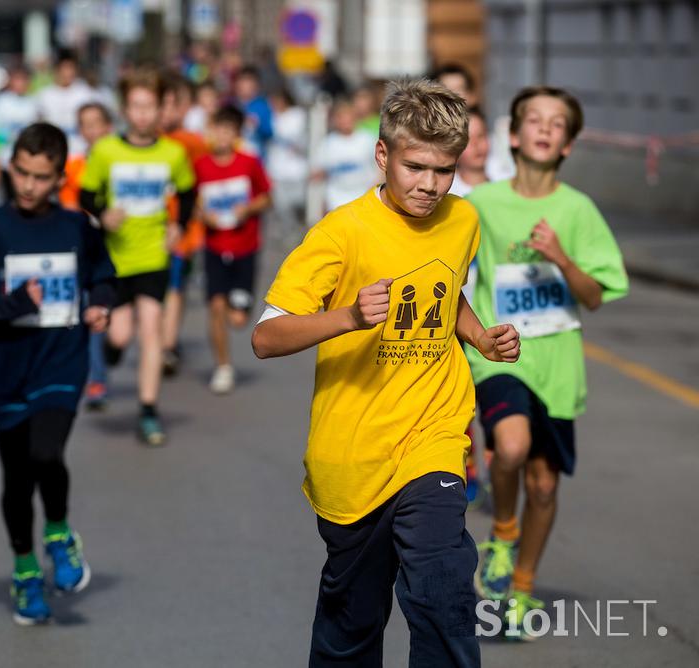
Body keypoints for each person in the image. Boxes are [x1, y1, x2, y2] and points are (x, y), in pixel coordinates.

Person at [252, 79, 522, 667]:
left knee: (445, 588)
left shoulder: (463, 220)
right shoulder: (340, 231)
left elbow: (445, 290)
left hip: (433, 436)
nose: (429, 185)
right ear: (383, 155)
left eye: (444, 170)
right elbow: (266, 338)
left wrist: (480, 336)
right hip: (353, 454)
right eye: (416, 166)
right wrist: (347, 316)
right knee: (353, 623)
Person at [469, 86, 628, 638]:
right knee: (510, 447)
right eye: (532, 119)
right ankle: (503, 536)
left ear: (568, 143)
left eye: (556, 123)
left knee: (544, 485)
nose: (543, 128)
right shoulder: (482, 204)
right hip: (500, 352)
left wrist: (560, 256)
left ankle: (522, 590)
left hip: (557, 365)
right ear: (512, 136)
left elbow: (595, 295)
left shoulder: (577, 210)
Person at [0, 122, 115, 625]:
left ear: (60, 178)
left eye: (41, 177)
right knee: (17, 476)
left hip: (61, 358)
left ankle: (59, 534)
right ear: (10, 167)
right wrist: (12, 303)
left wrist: (101, 305)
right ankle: (24, 570)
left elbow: (103, 277)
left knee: (47, 452)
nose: (27, 185)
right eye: (21, 172)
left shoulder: (76, 227)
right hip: (3, 365)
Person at [78, 69, 196, 446]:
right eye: (135, 107)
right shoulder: (107, 151)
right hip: (114, 258)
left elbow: (189, 191)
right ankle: (112, 351)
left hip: (152, 257)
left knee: (151, 332)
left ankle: (148, 410)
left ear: (162, 109)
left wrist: (178, 225)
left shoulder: (172, 153)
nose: (143, 114)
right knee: (120, 332)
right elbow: (86, 194)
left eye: (150, 107)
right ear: (125, 109)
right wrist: (101, 215)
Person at [194, 105, 270, 394]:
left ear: (237, 135)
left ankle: (236, 304)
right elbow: (194, 204)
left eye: (229, 131)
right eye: (217, 130)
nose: (222, 136)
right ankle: (223, 367)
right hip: (214, 246)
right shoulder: (200, 166)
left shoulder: (249, 163)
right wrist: (203, 216)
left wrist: (247, 208)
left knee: (237, 319)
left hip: (245, 247)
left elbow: (266, 198)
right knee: (215, 307)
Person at [58, 102, 116, 411]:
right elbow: (67, 205)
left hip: (124, 249)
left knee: (117, 325)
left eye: (98, 123)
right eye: (86, 125)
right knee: (91, 309)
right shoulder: (74, 167)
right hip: (87, 249)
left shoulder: (121, 162)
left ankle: (113, 349)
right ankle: (97, 378)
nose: (92, 130)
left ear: (109, 126)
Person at [449, 105, 492, 506]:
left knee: (495, 400)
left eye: (483, 137)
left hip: (497, 316)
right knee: (462, 401)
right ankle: (465, 461)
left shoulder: (505, 191)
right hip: (458, 318)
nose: (478, 146)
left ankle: (493, 458)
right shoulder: (446, 195)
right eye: (470, 139)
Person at [160, 71, 210, 378]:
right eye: (160, 105)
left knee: (175, 286)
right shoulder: (141, 142)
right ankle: (162, 338)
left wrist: (199, 214)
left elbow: (202, 181)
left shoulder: (191, 142)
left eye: (170, 106)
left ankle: (167, 344)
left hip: (181, 227)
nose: (164, 113)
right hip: (146, 227)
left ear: (182, 109)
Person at [312, 97, 379, 212]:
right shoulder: (328, 143)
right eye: (341, 117)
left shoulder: (367, 139)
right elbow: (317, 172)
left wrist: (374, 190)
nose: (345, 121)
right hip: (336, 199)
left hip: (363, 196)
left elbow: (380, 168)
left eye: (348, 116)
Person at [36, 52, 100, 157]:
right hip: (53, 151)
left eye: (71, 68)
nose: (68, 73)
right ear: (56, 70)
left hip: (80, 152)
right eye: (64, 68)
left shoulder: (86, 93)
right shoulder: (44, 95)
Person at [266, 87, 308, 246]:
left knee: (299, 203)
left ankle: (300, 231)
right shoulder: (271, 116)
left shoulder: (298, 115)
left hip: (297, 170)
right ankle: (290, 233)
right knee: (281, 205)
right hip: (277, 170)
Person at [0, 64, 39, 172]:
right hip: (3, 160)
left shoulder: (34, 103)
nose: (20, 83)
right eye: (17, 79)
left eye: (24, 80)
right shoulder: (0, 102)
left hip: (25, 161)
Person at [233, 66, 274, 160]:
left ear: (256, 85)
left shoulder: (262, 106)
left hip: (256, 159)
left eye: (250, 82)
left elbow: (269, 132)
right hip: (235, 159)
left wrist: (256, 124)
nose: (246, 86)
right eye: (243, 81)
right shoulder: (233, 105)